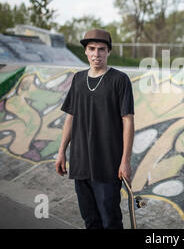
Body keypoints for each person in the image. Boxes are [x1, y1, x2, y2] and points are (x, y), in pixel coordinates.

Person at [55, 28, 135, 229]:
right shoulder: (78, 79)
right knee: (90, 221)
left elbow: (128, 121)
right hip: (81, 163)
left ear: (108, 52)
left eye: (101, 49)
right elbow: (70, 118)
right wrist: (61, 152)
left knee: (111, 220)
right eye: (92, 49)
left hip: (108, 164)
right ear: (85, 51)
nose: (96, 54)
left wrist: (125, 161)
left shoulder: (119, 80)